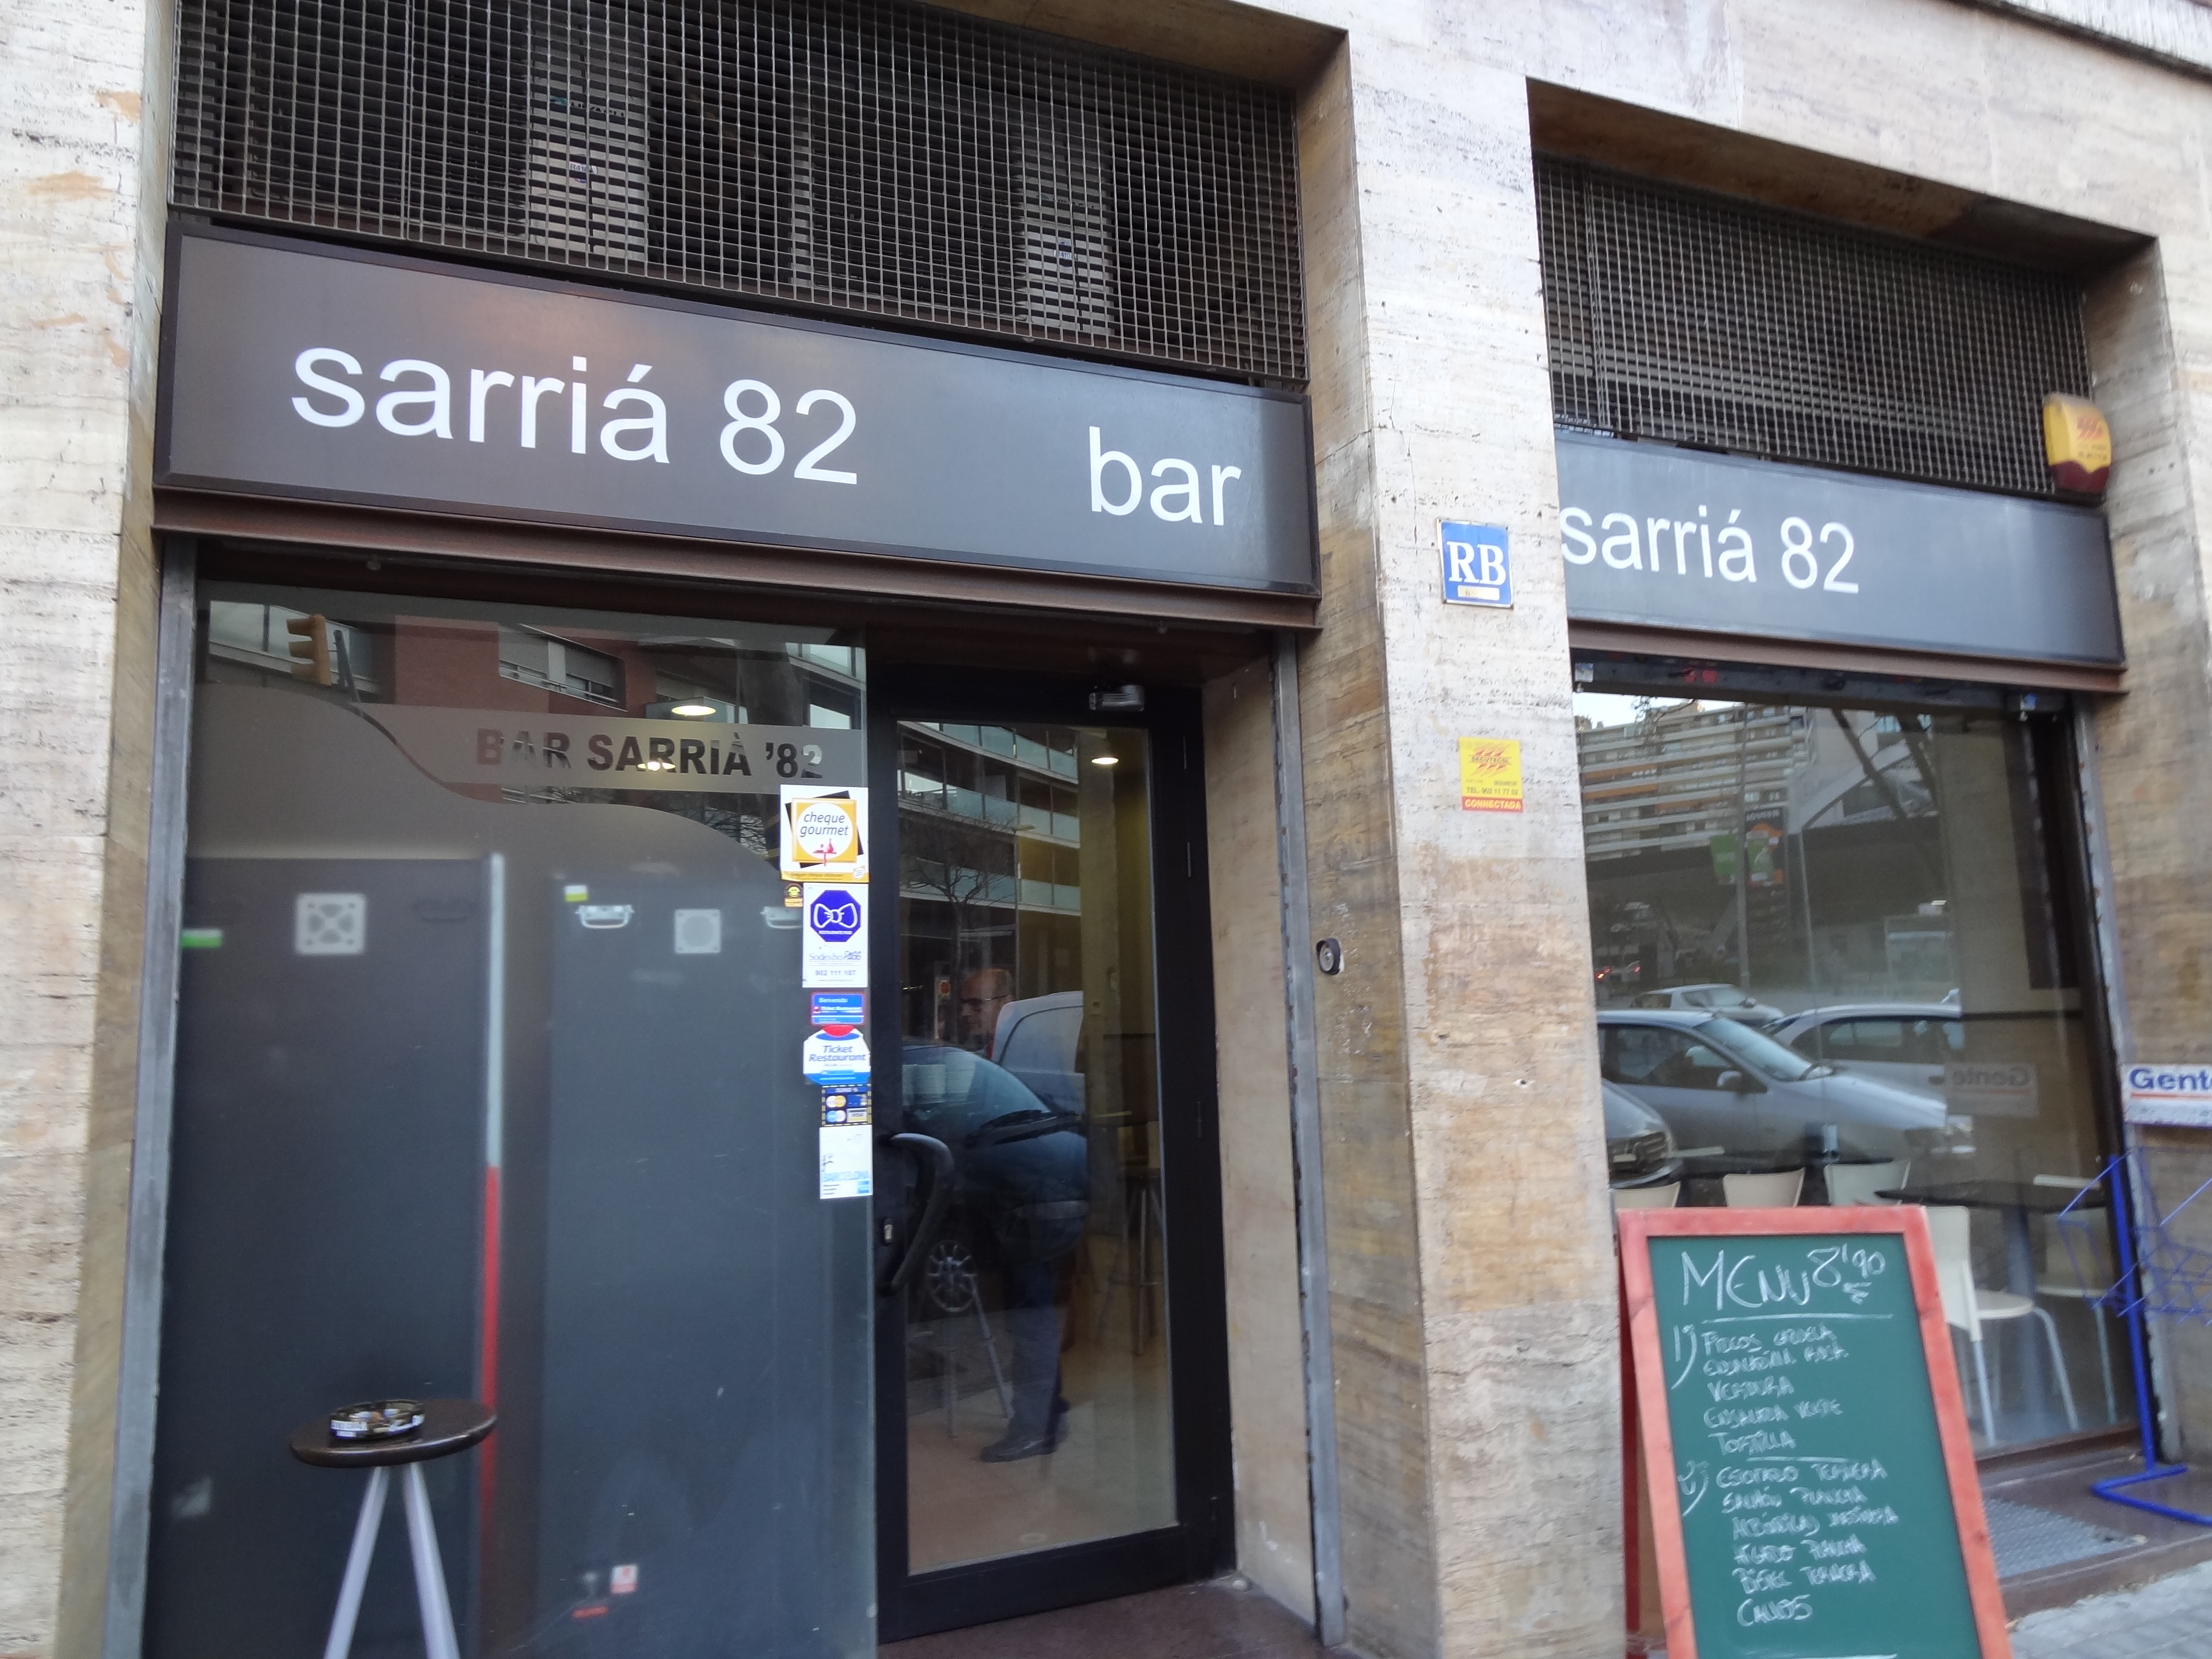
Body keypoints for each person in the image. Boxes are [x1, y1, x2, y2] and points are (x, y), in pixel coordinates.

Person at [957, 966, 1014, 1058]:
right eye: (963, 1004)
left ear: (1005, 1004)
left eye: (976, 1003)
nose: (965, 1013)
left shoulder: (1026, 1049)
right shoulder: (982, 1048)